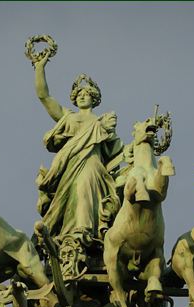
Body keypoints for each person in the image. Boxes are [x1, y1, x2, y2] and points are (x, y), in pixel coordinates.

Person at [33, 56, 123, 265]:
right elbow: (43, 96)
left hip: (92, 164)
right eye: (79, 94)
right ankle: (69, 237)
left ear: (94, 98)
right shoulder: (68, 117)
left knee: (84, 189)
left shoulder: (102, 122)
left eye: (87, 94)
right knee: (69, 199)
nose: (83, 97)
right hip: (68, 168)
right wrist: (39, 67)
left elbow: (117, 152)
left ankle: (83, 234)